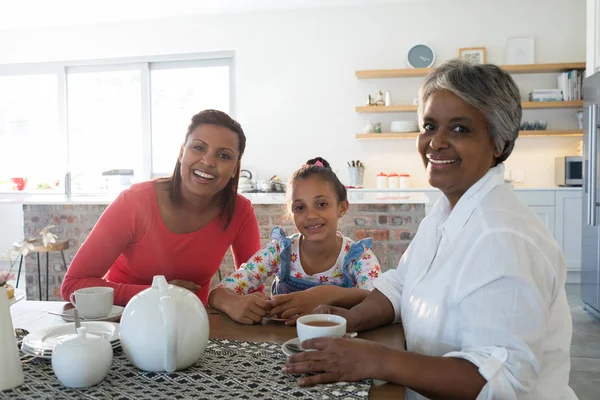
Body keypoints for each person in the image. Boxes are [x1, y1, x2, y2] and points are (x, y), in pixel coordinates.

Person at [283, 60, 577, 400]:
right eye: (429, 126)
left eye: (460, 129)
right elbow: (400, 285)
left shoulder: (502, 237)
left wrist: (377, 359)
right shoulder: (445, 212)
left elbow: (500, 382)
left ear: (500, 143)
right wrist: (349, 320)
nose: (436, 143)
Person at [61, 109, 261, 307]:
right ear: (182, 152)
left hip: (193, 328)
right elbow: (74, 285)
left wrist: (233, 302)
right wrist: (158, 294)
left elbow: (253, 285)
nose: (208, 161)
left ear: (235, 169)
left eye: (224, 156)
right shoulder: (135, 202)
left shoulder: (240, 211)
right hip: (122, 322)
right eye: (199, 148)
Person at [208, 157, 382, 325]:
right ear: (291, 214)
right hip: (279, 345)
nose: (311, 215)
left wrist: (329, 294)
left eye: (321, 204)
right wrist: (234, 304)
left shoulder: (358, 257)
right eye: (300, 208)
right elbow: (218, 294)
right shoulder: (280, 251)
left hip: (338, 346)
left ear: (342, 208)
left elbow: (379, 300)